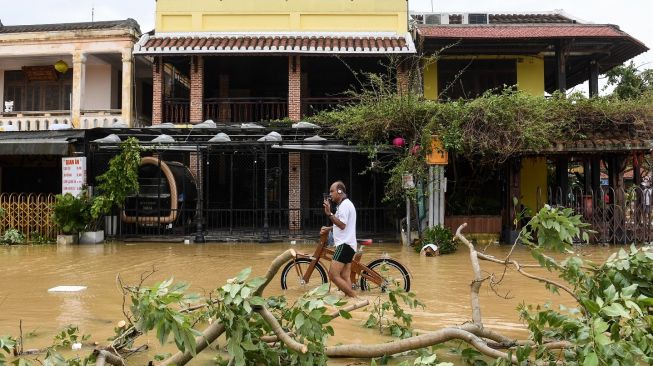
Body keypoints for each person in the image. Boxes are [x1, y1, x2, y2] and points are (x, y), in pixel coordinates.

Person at [320, 181, 357, 298]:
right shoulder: (343, 205)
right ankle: (350, 300)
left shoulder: (345, 205)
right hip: (349, 245)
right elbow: (341, 224)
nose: (330, 194)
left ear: (340, 191)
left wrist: (329, 213)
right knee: (345, 275)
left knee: (333, 275)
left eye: (332, 191)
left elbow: (342, 225)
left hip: (344, 245)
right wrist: (329, 228)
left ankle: (355, 297)